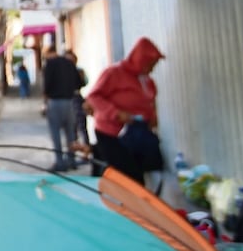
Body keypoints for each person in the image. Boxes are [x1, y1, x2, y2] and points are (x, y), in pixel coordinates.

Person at [85, 37, 165, 185]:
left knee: (145, 170)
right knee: (129, 177)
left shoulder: (147, 81)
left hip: (137, 134)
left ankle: (137, 203)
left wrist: (153, 117)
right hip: (111, 134)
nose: (153, 69)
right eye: (151, 64)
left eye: (154, 65)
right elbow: (93, 96)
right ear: (140, 61)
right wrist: (115, 113)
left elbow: (150, 102)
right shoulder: (114, 73)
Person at [41, 46, 80, 171]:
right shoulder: (69, 63)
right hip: (69, 102)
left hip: (55, 102)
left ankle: (60, 162)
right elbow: (78, 82)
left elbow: (47, 85)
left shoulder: (50, 64)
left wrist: (44, 103)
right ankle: (72, 160)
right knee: (70, 133)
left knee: (56, 134)